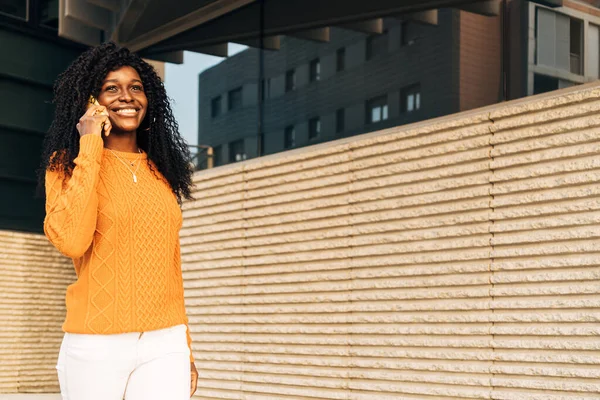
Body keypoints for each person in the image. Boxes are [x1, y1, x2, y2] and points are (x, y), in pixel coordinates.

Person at [36, 42, 198, 400]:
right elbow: (72, 241)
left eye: (135, 87)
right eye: (112, 88)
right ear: (90, 100)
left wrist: (184, 346)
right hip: (96, 344)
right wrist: (90, 144)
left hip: (165, 342)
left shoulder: (161, 172)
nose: (127, 97)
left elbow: (171, 268)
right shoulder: (67, 165)